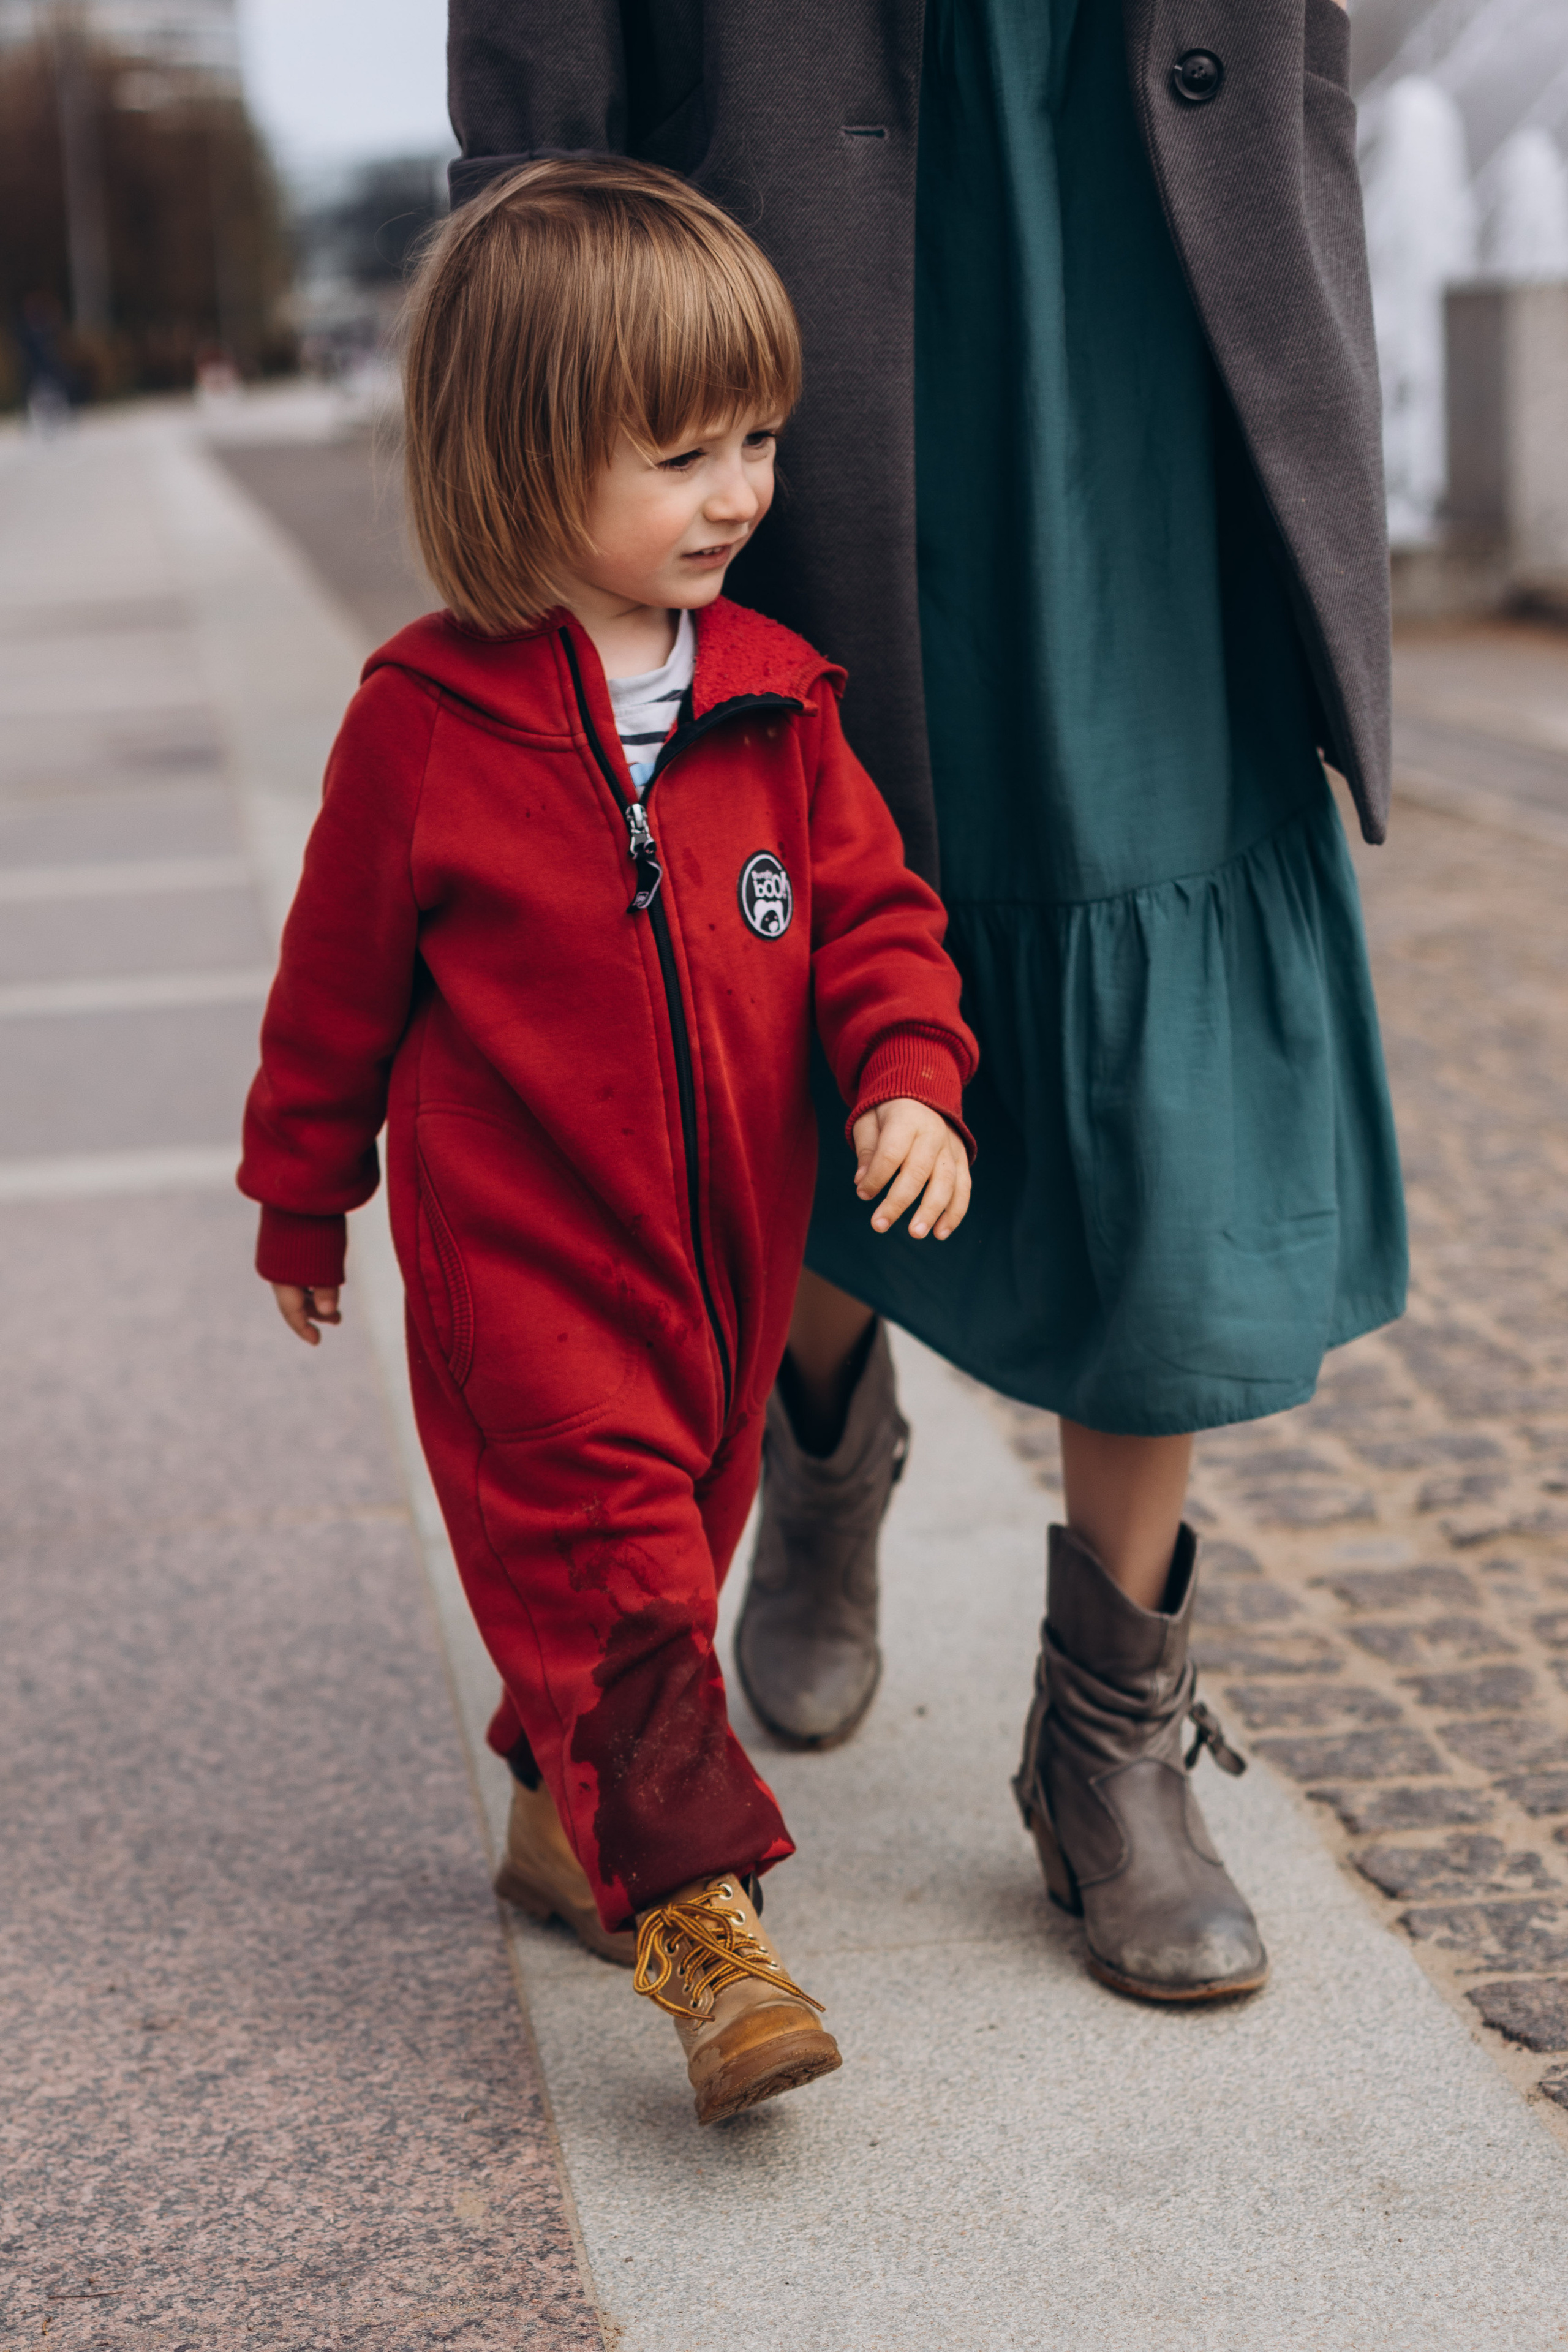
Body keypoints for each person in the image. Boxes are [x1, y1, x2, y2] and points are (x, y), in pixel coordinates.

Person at [444, 0, 1407, 2002]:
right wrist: (536, 300)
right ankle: (821, 1437)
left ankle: (1111, 1739)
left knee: (1170, 993)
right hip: (770, 248)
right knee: (804, 938)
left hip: (1157, 222)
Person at [237, 157, 978, 2123]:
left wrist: (909, 1076)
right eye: (681, 453)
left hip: (722, 1283)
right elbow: (331, 989)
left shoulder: (774, 703)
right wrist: (303, 1190)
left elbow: (880, 923)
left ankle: (559, 1823)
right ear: (520, 453)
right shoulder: (421, 724)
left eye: (756, 441)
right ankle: (709, 1949)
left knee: (659, 1567)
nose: (740, 491)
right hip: (524, 1286)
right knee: (631, 1595)